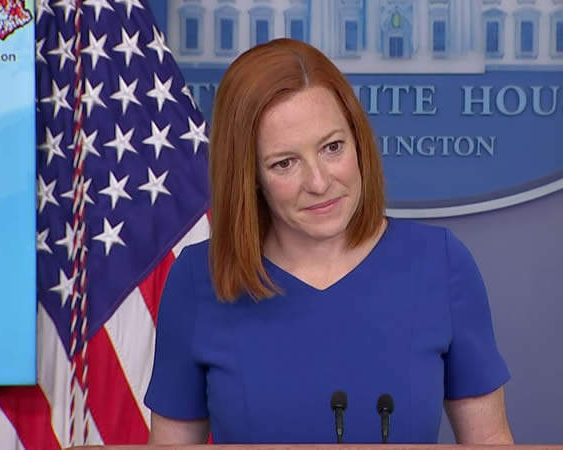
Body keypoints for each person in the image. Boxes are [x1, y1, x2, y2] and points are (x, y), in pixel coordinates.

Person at [144, 38, 513, 445]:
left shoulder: (440, 263)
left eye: (332, 147)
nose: (319, 183)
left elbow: (489, 442)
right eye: (285, 163)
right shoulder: (198, 279)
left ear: (358, 142)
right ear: (250, 176)